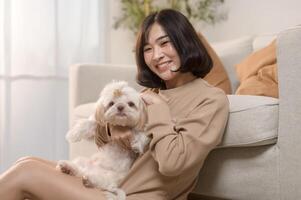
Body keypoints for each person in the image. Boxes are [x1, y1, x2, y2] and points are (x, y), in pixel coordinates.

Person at [0, 9, 229, 200]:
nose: (156, 55)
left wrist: (159, 110)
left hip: (130, 196)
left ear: (184, 42)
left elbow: (173, 164)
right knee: (27, 161)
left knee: (25, 172)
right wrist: (114, 128)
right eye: (148, 49)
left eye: (164, 43)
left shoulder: (211, 100)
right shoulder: (148, 94)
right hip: (107, 183)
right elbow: (103, 136)